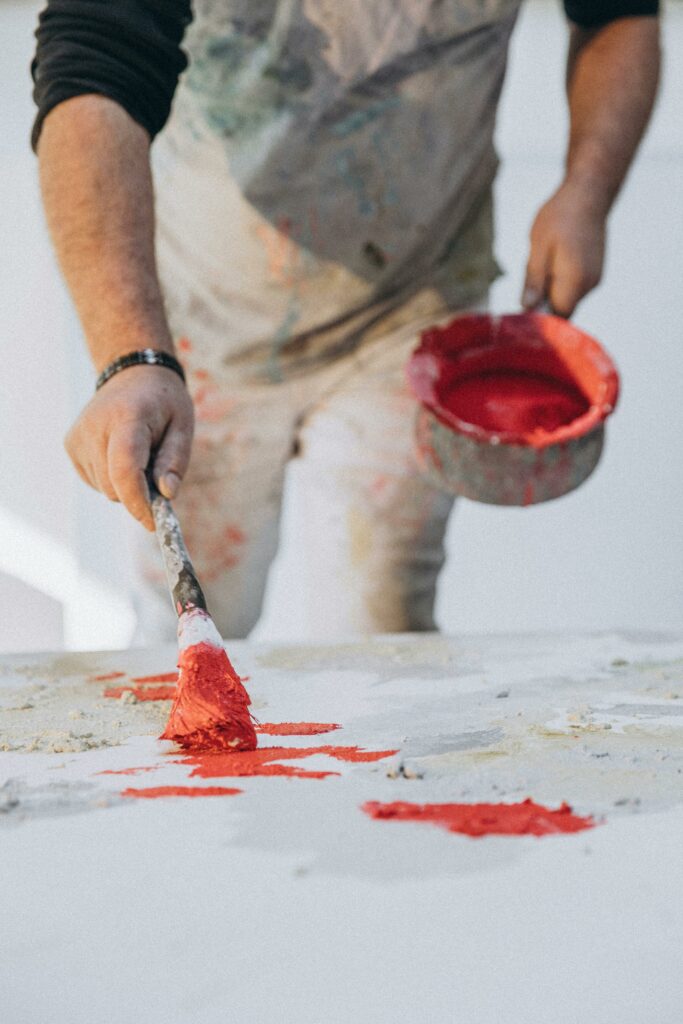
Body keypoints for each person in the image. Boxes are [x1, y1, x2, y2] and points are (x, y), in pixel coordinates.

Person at [31, 1, 660, 641]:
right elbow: (93, 66)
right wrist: (131, 356)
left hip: (412, 311)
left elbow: (618, 14)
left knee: (383, 643)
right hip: (202, 317)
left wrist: (586, 191)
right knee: (185, 640)